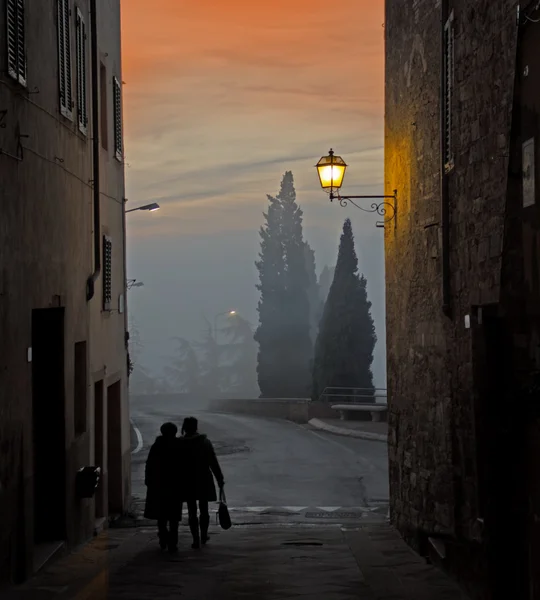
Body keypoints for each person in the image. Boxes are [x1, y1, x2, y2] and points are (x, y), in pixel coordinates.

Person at [179, 417, 225, 549]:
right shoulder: (205, 442)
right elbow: (213, 462)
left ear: (185, 427)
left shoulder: (180, 443)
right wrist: (220, 479)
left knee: (191, 510)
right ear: (196, 427)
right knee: (204, 509)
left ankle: (195, 539)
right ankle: (204, 535)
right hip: (203, 478)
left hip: (187, 480)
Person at [143, 422, 183, 553]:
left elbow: (149, 465)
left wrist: (149, 480)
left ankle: (163, 537)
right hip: (175, 485)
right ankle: (173, 542)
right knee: (174, 516)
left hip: (159, 485)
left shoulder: (157, 445)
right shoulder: (179, 445)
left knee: (161, 515)